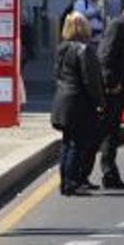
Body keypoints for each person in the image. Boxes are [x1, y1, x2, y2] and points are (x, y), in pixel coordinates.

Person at [85, 0, 124, 189]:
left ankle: (110, 175)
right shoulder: (117, 25)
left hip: (120, 93)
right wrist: (111, 84)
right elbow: (105, 57)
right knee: (99, 134)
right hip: (112, 92)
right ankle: (80, 174)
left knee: (111, 135)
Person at [51, 12, 106, 196]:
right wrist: (100, 102)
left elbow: (57, 75)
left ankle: (65, 182)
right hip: (78, 103)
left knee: (67, 143)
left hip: (63, 101)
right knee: (77, 144)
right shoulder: (84, 49)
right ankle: (72, 183)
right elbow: (91, 81)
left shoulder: (61, 48)